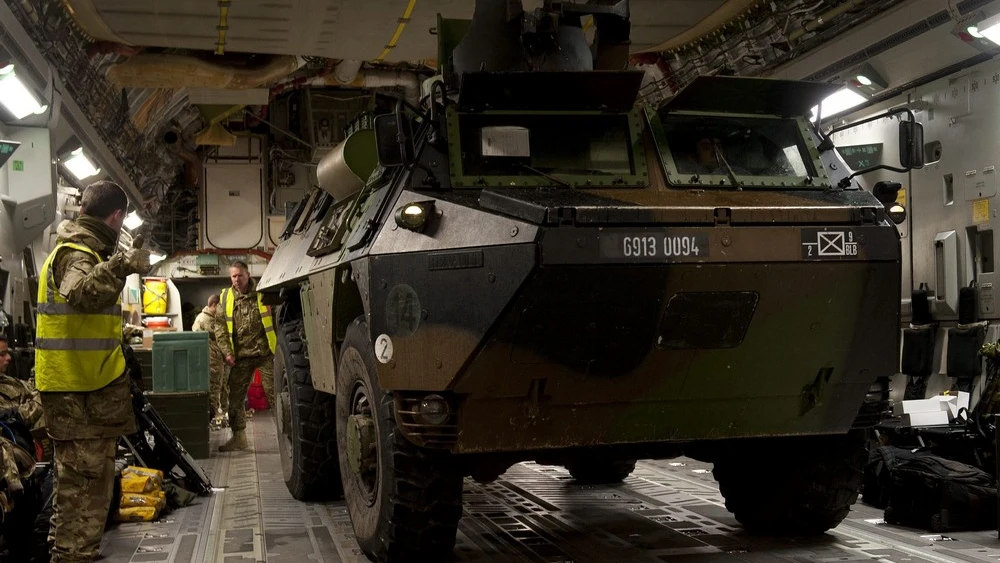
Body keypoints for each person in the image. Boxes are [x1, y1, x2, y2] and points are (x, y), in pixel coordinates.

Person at [35, 180, 152, 563]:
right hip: (80, 393)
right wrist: (122, 263)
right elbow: (82, 294)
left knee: (73, 493)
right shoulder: (77, 253)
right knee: (85, 493)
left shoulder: (71, 248)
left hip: (79, 390)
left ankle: (68, 554)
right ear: (116, 216)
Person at [213, 261, 276, 452]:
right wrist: (227, 352)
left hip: (265, 354)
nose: (236, 280)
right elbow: (220, 327)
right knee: (235, 398)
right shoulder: (225, 297)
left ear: (248, 275)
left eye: (240, 275)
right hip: (241, 357)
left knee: (277, 395)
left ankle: (288, 436)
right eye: (233, 276)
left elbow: (277, 319)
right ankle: (239, 437)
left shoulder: (264, 292)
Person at [192, 294, 229, 426]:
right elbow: (220, 337)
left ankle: (214, 414)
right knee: (214, 387)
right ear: (213, 305)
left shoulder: (203, 317)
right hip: (211, 359)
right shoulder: (207, 319)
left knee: (216, 387)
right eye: (219, 307)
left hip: (207, 357)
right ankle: (212, 417)